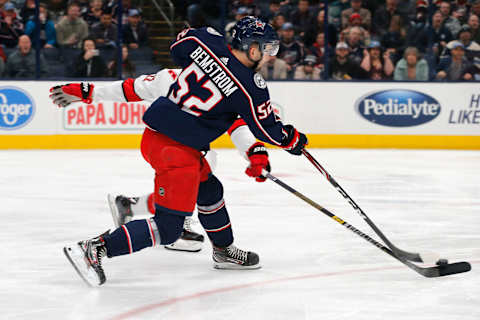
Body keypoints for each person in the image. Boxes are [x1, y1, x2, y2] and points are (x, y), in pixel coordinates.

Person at [61, 16, 308, 286]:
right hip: (175, 151)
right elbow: (267, 129)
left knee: (210, 190)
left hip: (163, 138)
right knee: (168, 228)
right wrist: (293, 140)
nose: (269, 56)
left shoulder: (206, 42)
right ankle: (95, 247)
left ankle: (224, 251)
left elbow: (181, 44)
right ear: (252, 49)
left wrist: (254, 153)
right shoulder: (250, 86)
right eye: (267, 49)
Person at [50, 66, 273, 252]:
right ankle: (102, 246)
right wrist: (254, 150)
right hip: (171, 149)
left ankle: (131, 207)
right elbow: (236, 123)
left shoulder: (174, 75)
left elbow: (129, 89)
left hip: (170, 144)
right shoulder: (224, 87)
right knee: (171, 222)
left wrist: (91, 91)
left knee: (209, 188)